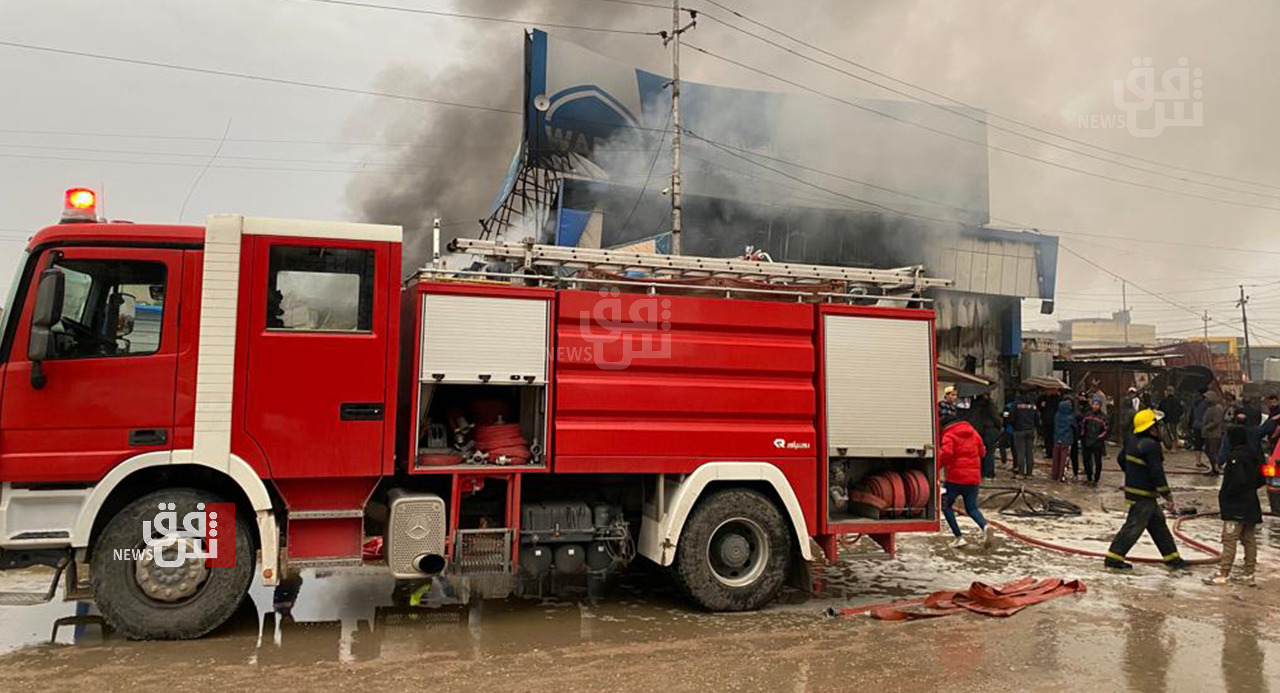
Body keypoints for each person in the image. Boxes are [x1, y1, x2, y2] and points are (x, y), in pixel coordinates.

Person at [1104, 409, 1191, 571]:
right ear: (1151, 428)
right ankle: (1113, 558)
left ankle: (1172, 558)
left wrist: (1133, 474)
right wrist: (1167, 495)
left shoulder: (1132, 440)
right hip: (1144, 495)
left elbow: (1120, 459)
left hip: (1137, 491)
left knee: (1158, 526)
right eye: (1158, 426)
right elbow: (1157, 472)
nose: (1160, 429)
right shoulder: (1151, 446)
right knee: (1134, 526)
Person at [1204, 418, 1265, 586]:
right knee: (1249, 538)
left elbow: (1237, 482)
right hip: (1251, 504)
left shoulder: (1234, 458)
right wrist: (1249, 490)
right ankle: (1249, 573)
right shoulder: (1253, 455)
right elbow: (1261, 479)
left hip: (1235, 507)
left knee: (1229, 539)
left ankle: (1223, 573)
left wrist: (1227, 496)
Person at [938, 414, 993, 549]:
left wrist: (935, 467)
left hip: (955, 478)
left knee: (946, 506)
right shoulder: (973, 433)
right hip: (973, 478)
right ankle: (985, 527)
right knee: (972, 508)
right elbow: (982, 452)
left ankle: (959, 537)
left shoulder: (948, 435)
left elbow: (946, 453)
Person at [970, 393, 1002, 480]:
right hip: (990, 430)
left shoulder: (974, 405)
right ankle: (989, 473)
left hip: (978, 431)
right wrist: (999, 426)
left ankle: (981, 472)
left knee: (980, 452)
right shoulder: (989, 405)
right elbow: (996, 419)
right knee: (989, 452)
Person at [1079, 399, 1109, 485]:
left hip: (1097, 442)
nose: (1095, 406)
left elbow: (1106, 430)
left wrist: (1100, 438)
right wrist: (1082, 436)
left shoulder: (1104, 417)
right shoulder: (1087, 415)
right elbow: (1082, 426)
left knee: (1098, 461)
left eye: (1097, 405)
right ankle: (1089, 477)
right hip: (1087, 441)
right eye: (1094, 404)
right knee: (1086, 460)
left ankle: (1096, 479)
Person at [1011, 390, 1039, 478]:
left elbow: (1011, 417)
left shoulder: (1016, 404)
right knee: (1029, 452)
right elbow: (1037, 418)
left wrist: (1013, 425)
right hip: (1030, 430)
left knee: (1020, 453)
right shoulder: (1033, 405)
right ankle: (1029, 473)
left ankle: (1021, 473)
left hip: (1019, 430)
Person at [1052, 399, 1077, 483]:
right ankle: (1061, 476)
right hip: (1066, 440)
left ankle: (1054, 475)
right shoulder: (1071, 418)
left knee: (1056, 459)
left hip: (1056, 439)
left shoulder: (1057, 416)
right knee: (1064, 460)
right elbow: (1075, 427)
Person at [1201, 391, 1225, 474]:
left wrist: (1206, 427)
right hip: (1209, 434)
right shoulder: (1209, 408)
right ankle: (1213, 468)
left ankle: (1215, 468)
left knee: (1213, 452)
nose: (1205, 400)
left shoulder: (1217, 408)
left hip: (1214, 434)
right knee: (1208, 451)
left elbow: (1216, 421)